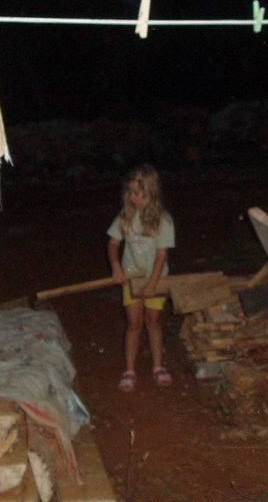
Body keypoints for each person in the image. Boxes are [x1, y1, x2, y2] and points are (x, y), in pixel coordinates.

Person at [106, 164, 175, 391]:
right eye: (130, 192)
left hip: (157, 278)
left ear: (151, 192)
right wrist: (116, 267)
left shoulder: (163, 220)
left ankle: (158, 366)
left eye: (138, 193)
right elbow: (113, 243)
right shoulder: (125, 217)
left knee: (153, 321)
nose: (133, 198)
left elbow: (161, 255)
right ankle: (129, 370)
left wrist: (152, 284)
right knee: (133, 323)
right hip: (131, 277)